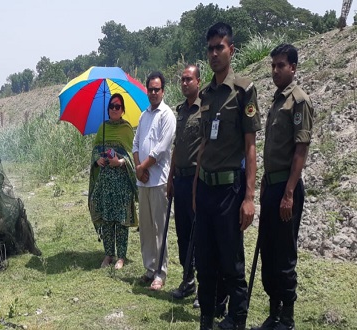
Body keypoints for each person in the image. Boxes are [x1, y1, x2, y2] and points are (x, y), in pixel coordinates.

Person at [193, 22, 261, 330]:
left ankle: (237, 318)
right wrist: (195, 187)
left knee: (232, 262)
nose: (214, 53)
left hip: (230, 192)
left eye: (220, 47)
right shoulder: (206, 94)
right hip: (206, 189)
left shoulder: (244, 90)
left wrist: (249, 198)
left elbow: (250, 148)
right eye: (210, 48)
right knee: (205, 260)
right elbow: (205, 144)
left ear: (231, 50)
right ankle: (207, 316)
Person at [251, 44, 313, 330]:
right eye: (273, 65)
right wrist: (265, 180)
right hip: (272, 186)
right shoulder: (277, 100)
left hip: (287, 189)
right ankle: (273, 313)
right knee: (268, 250)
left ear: (293, 68)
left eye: (281, 65)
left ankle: (286, 319)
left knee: (285, 254)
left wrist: (289, 193)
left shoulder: (298, 100)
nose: (276, 70)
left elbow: (300, 150)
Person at [132, 71, 176, 291]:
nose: (153, 93)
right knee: (147, 228)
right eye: (150, 89)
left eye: (156, 89)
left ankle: (161, 272)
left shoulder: (167, 115)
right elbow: (136, 144)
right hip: (143, 181)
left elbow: (161, 149)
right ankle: (149, 269)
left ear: (163, 91)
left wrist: (142, 167)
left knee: (160, 228)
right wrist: (138, 169)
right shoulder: (144, 115)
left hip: (159, 180)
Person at [88, 93, 138, 270]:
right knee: (108, 218)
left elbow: (133, 155)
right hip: (105, 181)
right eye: (112, 106)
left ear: (123, 110)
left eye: (118, 106)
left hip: (122, 181)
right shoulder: (102, 128)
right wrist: (97, 160)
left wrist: (121, 161)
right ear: (108, 109)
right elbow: (94, 151)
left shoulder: (127, 129)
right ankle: (109, 254)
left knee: (121, 219)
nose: (114, 109)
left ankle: (121, 256)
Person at [168, 64, 202, 306]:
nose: (185, 83)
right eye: (182, 80)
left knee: (198, 234)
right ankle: (187, 279)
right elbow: (176, 147)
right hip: (179, 178)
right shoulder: (180, 111)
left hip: (196, 180)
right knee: (182, 233)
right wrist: (170, 177)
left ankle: (205, 285)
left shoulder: (205, 110)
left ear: (198, 81)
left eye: (189, 79)